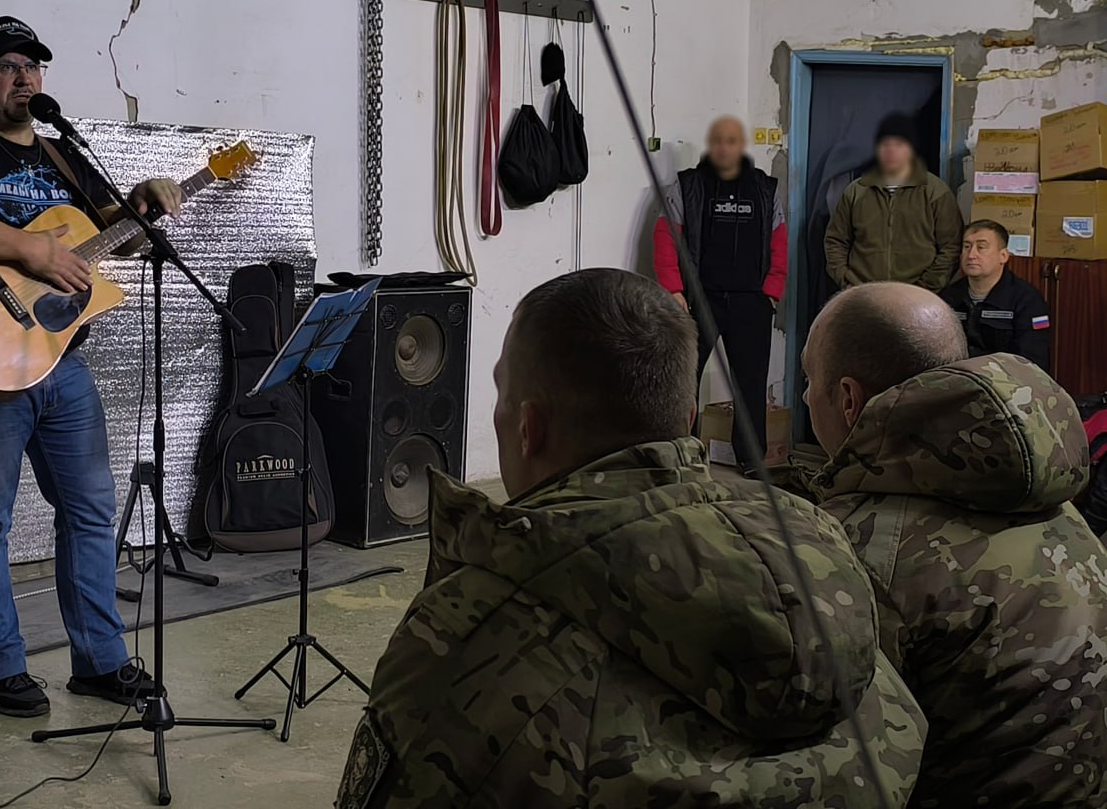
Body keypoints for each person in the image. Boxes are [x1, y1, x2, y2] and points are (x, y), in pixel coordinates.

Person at [336, 269, 925, 809]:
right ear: (689, 412)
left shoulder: (464, 628)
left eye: (501, 392)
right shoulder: (824, 558)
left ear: (526, 429)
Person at [0, 16, 182, 717]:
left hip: (61, 364)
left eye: (33, 65)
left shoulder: (62, 157)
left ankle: (101, 663)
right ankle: (0, 670)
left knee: (88, 512)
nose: (23, 77)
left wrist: (141, 207)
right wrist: (26, 252)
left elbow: (100, 240)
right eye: (6, 65)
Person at [801, 282, 1107, 808]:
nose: (806, 396)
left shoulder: (860, 549)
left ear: (848, 400)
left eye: (810, 379)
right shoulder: (1050, 499)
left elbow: (832, 762)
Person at [652, 116, 786, 469]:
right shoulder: (688, 186)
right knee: (683, 381)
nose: (725, 148)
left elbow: (780, 241)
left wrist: (772, 290)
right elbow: (666, 236)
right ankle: (681, 456)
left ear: (741, 146)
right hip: (698, 302)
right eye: (719, 141)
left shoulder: (764, 189)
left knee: (750, 385)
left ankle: (751, 459)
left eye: (732, 141)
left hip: (751, 303)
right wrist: (673, 290)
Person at [824, 113, 961, 291]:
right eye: (885, 144)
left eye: (899, 144)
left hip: (918, 296)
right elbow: (836, 240)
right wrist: (847, 281)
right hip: (864, 294)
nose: (891, 150)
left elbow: (951, 247)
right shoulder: (857, 191)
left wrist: (926, 287)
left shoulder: (935, 191)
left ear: (911, 149)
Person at [939, 219, 1051, 371]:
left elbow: (1032, 361)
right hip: (956, 381)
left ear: (1003, 256)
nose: (971, 255)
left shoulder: (1027, 300)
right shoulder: (948, 298)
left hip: (1006, 384)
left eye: (981, 247)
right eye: (966, 247)